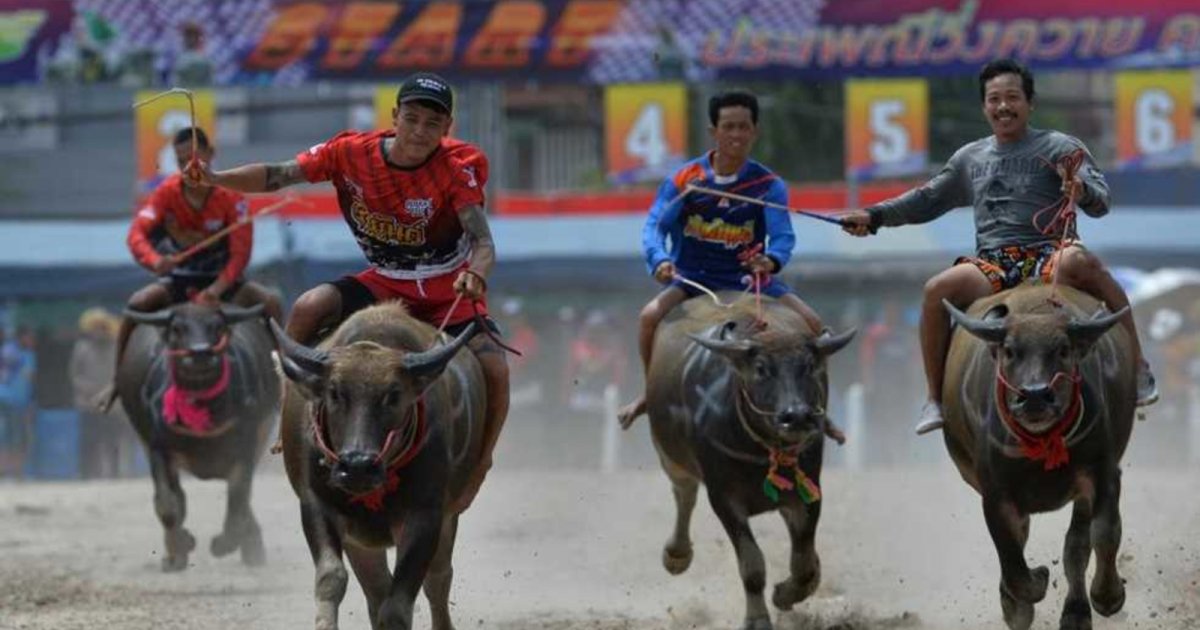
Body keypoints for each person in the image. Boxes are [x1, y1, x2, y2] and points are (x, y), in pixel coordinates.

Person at [187, 72, 507, 514]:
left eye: (432, 124)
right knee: (307, 306)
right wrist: (217, 177)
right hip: (385, 278)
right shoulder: (350, 153)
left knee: (494, 365)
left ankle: (481, 461)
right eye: (411, 119)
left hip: (445, 286)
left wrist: (477, 273)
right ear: (394, 116)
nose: (419, 132)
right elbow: (279, 175)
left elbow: (484, 242)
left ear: (446, 128)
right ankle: (290, 417)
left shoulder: (457, 169)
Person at [842, 58, 1158, 434]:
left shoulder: (1060, 146)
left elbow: (1101, 202)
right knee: (935, 290)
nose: (1003, 106)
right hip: (994, 264)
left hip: (1050, 254)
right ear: (984, 106)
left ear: (1029, 103)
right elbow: (926, 200)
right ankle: (935, 399)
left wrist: (1081, 190)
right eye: (994, 99)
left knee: (1084, 262)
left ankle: (1138, 367)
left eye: (1012, 97)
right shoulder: (969, 158)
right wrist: (874, 217)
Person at [618, 90, 826, 428]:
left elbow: (783, 236)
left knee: (814, 325)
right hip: (692, 279)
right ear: (713, 131)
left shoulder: (768, 185)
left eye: (744, 127)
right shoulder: (685, 181)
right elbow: (655, 225)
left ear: (754, 131)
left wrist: (770, 260)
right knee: (649, 317)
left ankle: (814, 409)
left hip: (750, 280)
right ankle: (650, 393)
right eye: (728, 127)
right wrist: (659, 260)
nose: (736, 135)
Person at [102, 126, 283, 411]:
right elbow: (137, 235)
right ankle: (117, 380)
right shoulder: (165, 193)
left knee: (271, 302)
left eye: (195, 158)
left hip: (224, 284)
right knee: (136, 305)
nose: (190, 166)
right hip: (179, 281)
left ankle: (283, 381)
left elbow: (240, 254)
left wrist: (216, 290)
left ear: (211, 155)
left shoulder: (232, 196)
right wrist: (156, 261)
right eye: (181, 160)